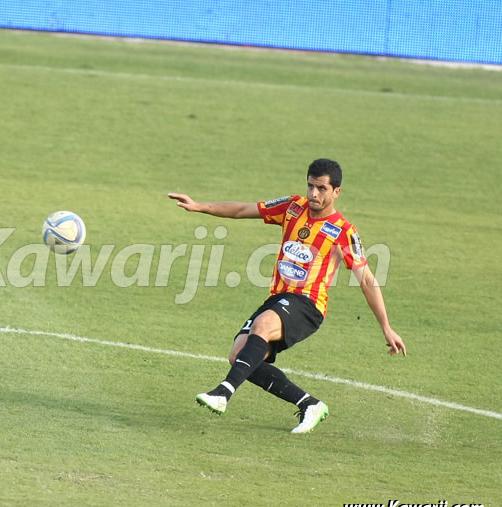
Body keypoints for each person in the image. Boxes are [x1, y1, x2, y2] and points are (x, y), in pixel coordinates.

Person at [168, 158, 406, 433]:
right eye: (310, 186)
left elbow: (366, 279)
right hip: (279, 298)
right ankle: (309, 404)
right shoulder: (293, 207)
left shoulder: (344, 231)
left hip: (308, 305)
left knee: (262, 325)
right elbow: (243, 209)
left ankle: (223, 393)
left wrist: (386, 327)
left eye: (322, 188)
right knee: (239, 356)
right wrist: (201, 206)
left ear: (336, 192)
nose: (314, 194)